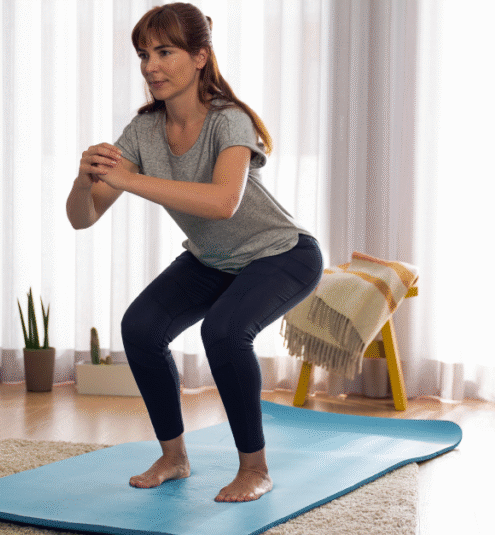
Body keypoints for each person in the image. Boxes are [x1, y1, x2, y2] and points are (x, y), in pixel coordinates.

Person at [65, 2, 323, 503]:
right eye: (144, 55)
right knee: (141, 328)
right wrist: (83, 179)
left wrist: (130, 180)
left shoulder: (230, 120)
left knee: (224, 332)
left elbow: (223, 203)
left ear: (200, 56)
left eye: (165, 52)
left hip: (282, 254)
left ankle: (255, 469)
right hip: (214, 261)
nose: (151, 66)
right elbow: (84, 216)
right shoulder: (143, 131)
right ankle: (174, 457)